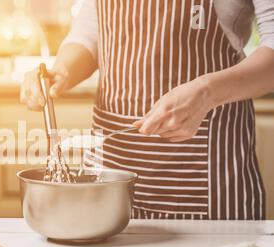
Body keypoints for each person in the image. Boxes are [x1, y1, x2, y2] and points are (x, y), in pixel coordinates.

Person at [20, 0, 274, 220]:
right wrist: (61, 72)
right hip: (109, 177)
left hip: (209, 180)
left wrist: (206, 92)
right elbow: (90, 31)